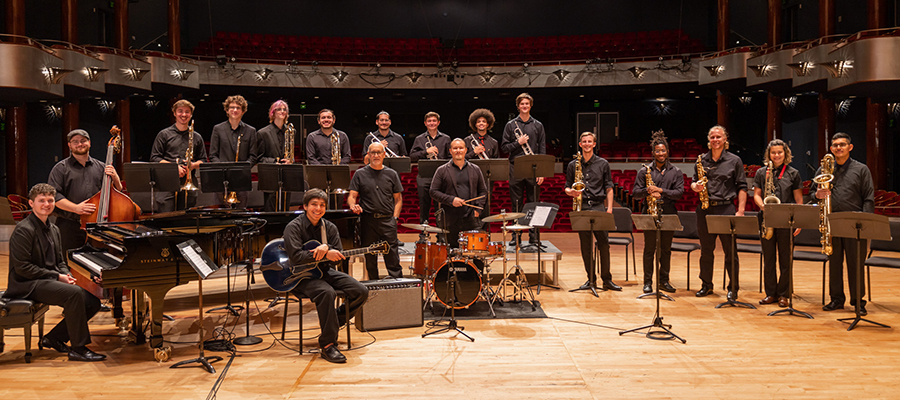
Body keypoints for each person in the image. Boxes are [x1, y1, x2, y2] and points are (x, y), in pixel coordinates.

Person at [6, 183, 105, 362]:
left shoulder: (54, 229)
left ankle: (55, 338)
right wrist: (56, 277)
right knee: (74, 294)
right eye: (41, 200)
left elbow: (60, 261)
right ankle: (78, 349)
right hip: (25, 284)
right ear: (31, 203)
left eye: (50, 200)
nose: (47, 204)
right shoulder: (24, 230)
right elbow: (22, 268)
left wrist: (66, 275)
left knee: (92, 302)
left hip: (44, 280)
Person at [284, 188, 368, 364]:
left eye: (322, 205)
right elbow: (296, 257)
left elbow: (336, 259)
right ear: (305, 206)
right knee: (327, 292)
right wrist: (323, 252)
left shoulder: (329, 227)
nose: (318, 208)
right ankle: (328, 344)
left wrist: (330, 252)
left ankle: (334, 322)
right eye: (314, 204)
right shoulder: (293, 227)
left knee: (361, 291)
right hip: (301, 276)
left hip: (324, 271)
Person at [809, 132, 875, 315]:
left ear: (850, 147)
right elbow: (811, 193)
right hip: (831, 223)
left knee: (856, 265)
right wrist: (817, 195)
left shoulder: (861, 169)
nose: (839, 148)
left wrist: (866, 224)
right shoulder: (823, 171)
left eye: (842, 144)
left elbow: (868, 198)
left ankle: (858, 301)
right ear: (831, 149)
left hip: (855, 225)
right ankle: (837, 299)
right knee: (834, 263)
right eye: (835, 145)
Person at [690, 125, 748, 299]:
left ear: (725, 139)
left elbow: (742, 187)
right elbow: (693, 182)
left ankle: (733, 288)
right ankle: (706, 285)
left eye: (718, 137)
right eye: (712, 137)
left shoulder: (734, 160)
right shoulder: (701, 160)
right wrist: (695, 187)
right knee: (706, 251)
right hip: (705, 209)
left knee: (731, 251)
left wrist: (741, 211)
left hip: (726, 208)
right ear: (709, 140)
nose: (715, 140)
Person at [48, 129, 123, 252]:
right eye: (75, 142)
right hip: (70, 225)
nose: (80, 144)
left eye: (83, 141)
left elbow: (117, 192)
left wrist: (115, 177)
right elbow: (54, 196)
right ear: (69, 145)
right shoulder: (60, 168)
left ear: (89, 142)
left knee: (99, 262)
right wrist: (76, 208)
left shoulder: (101, 166)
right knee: (69, 262)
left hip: (98, 225)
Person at [565, 132, 621, 291]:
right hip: (581, 206)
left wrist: (609, 209)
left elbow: (609, 187)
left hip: (598, 206)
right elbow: (567, 186)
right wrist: (570, 192)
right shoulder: (572, 165)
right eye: (584, 141)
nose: (587, 144)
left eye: (590, 141)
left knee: (604, 244)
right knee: (585, 245)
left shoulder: (603, 164)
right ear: (580, 144)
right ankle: (591, 280)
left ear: (594, 144)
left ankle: (607, 280)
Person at [631, 131, 684, 294]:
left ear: (667, 151)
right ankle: (647, 282)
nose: (661, 153)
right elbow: (635, 193)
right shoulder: (644, 171)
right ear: (653, 153)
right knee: (649, 249)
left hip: (668, 211)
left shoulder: (676, 171)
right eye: (657, 151)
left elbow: (680, 193)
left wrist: (661, 190)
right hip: (649, 212)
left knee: (666, 250)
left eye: (663, 150)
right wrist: (648, 191)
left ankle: (664, 281)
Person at [754, 139, 804, 307]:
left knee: (785, 259)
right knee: (768, 259)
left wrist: (800, 220)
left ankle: (784, 294)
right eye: (773, 153)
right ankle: (771, 294)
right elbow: (757, 194)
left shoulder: (793, 173)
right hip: (766, 219)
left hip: (786, 220)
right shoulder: (762, 172)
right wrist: (763, 207)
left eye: (779, 152)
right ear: (769, 154)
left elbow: (798, 198)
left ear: (785, 154)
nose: (776, 155)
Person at [347, 142, 404, 279]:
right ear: (368, 155)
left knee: (393, 259)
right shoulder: (360, 174)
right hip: (368, 221)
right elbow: (352, 196)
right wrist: (352, 205)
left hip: (387, 220)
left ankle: (398, 289)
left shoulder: (392, 174)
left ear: (384, 155)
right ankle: (374, 290)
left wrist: (394, 218)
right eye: (373, 152)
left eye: (379, 152)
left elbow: (398, 200)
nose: (376, 155)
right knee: (370, 260)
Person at [501, 93, 546, 246]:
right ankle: (516, 237)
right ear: (518, 106)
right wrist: (518, 143)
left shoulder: (538, 125)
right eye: (522, 104)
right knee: (516, 204)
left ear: (530, 105)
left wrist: (542, 171)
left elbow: (542, 148)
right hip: (516, 167)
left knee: (534, 204)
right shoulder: (510, 125)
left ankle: (534, 238)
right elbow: (505, 147)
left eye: (527, 104)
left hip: (534, 168)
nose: (525, 106)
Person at [150, 99, 207, 212]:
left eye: (187, 112)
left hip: (189, 182)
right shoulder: (164, 134)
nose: (184, 114)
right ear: (174, 113)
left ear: (191, 114)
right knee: (166, 216)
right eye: (180, 111)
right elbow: (155, 158)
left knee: (186, 218)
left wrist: (193, 165)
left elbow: (203, 160)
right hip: (166, 183)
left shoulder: (197, 137)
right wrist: (174, 167)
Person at [430, 138, 488, 248]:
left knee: (473, 252)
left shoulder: (475, 169)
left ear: (466, 150)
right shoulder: (442, 170)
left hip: (470, 216)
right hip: (450, 217)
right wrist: (451, 200)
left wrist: (478, 209)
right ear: (450, 151)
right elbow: (433, 192)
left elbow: (483, 191)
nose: (458, 150)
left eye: (461, 148)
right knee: (451, 252)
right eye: (455, 148)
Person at [209, 95, 259, 208]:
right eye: (232, 107)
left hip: (241, 179)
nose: (235, 110)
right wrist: (224, 169)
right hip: (221, 179)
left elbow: (253, 156)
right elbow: (213, 155)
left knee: (240, 214)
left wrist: (240, 170)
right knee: (220, 214)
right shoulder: (218, 129)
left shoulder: (250, 131)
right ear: (227, 110)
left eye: (238, 108)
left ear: (243, 111)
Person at [409, 112, 451, 228]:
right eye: (429, 121)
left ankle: (441, 234)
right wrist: (426, 152)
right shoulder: (419, 139)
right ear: (425, 123)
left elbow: (450, 157)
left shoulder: (446, 139)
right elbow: (412, 156)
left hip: (441, 177)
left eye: (434, 121)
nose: (431, 123)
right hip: (424, 176)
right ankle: (424, 233)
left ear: (438, 123)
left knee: (441, 206)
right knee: (424, 206)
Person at [257, 100, 295, 211]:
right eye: (279, 109)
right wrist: (274, 162)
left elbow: (291, 154)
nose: (282, 111)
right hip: (270, 177)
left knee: (285, 210)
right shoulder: (263, 133)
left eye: (285, 109)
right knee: (271, 211)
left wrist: (290, 160)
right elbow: (259, 158)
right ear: (273, 113)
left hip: (286, 177)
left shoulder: (292, 131)